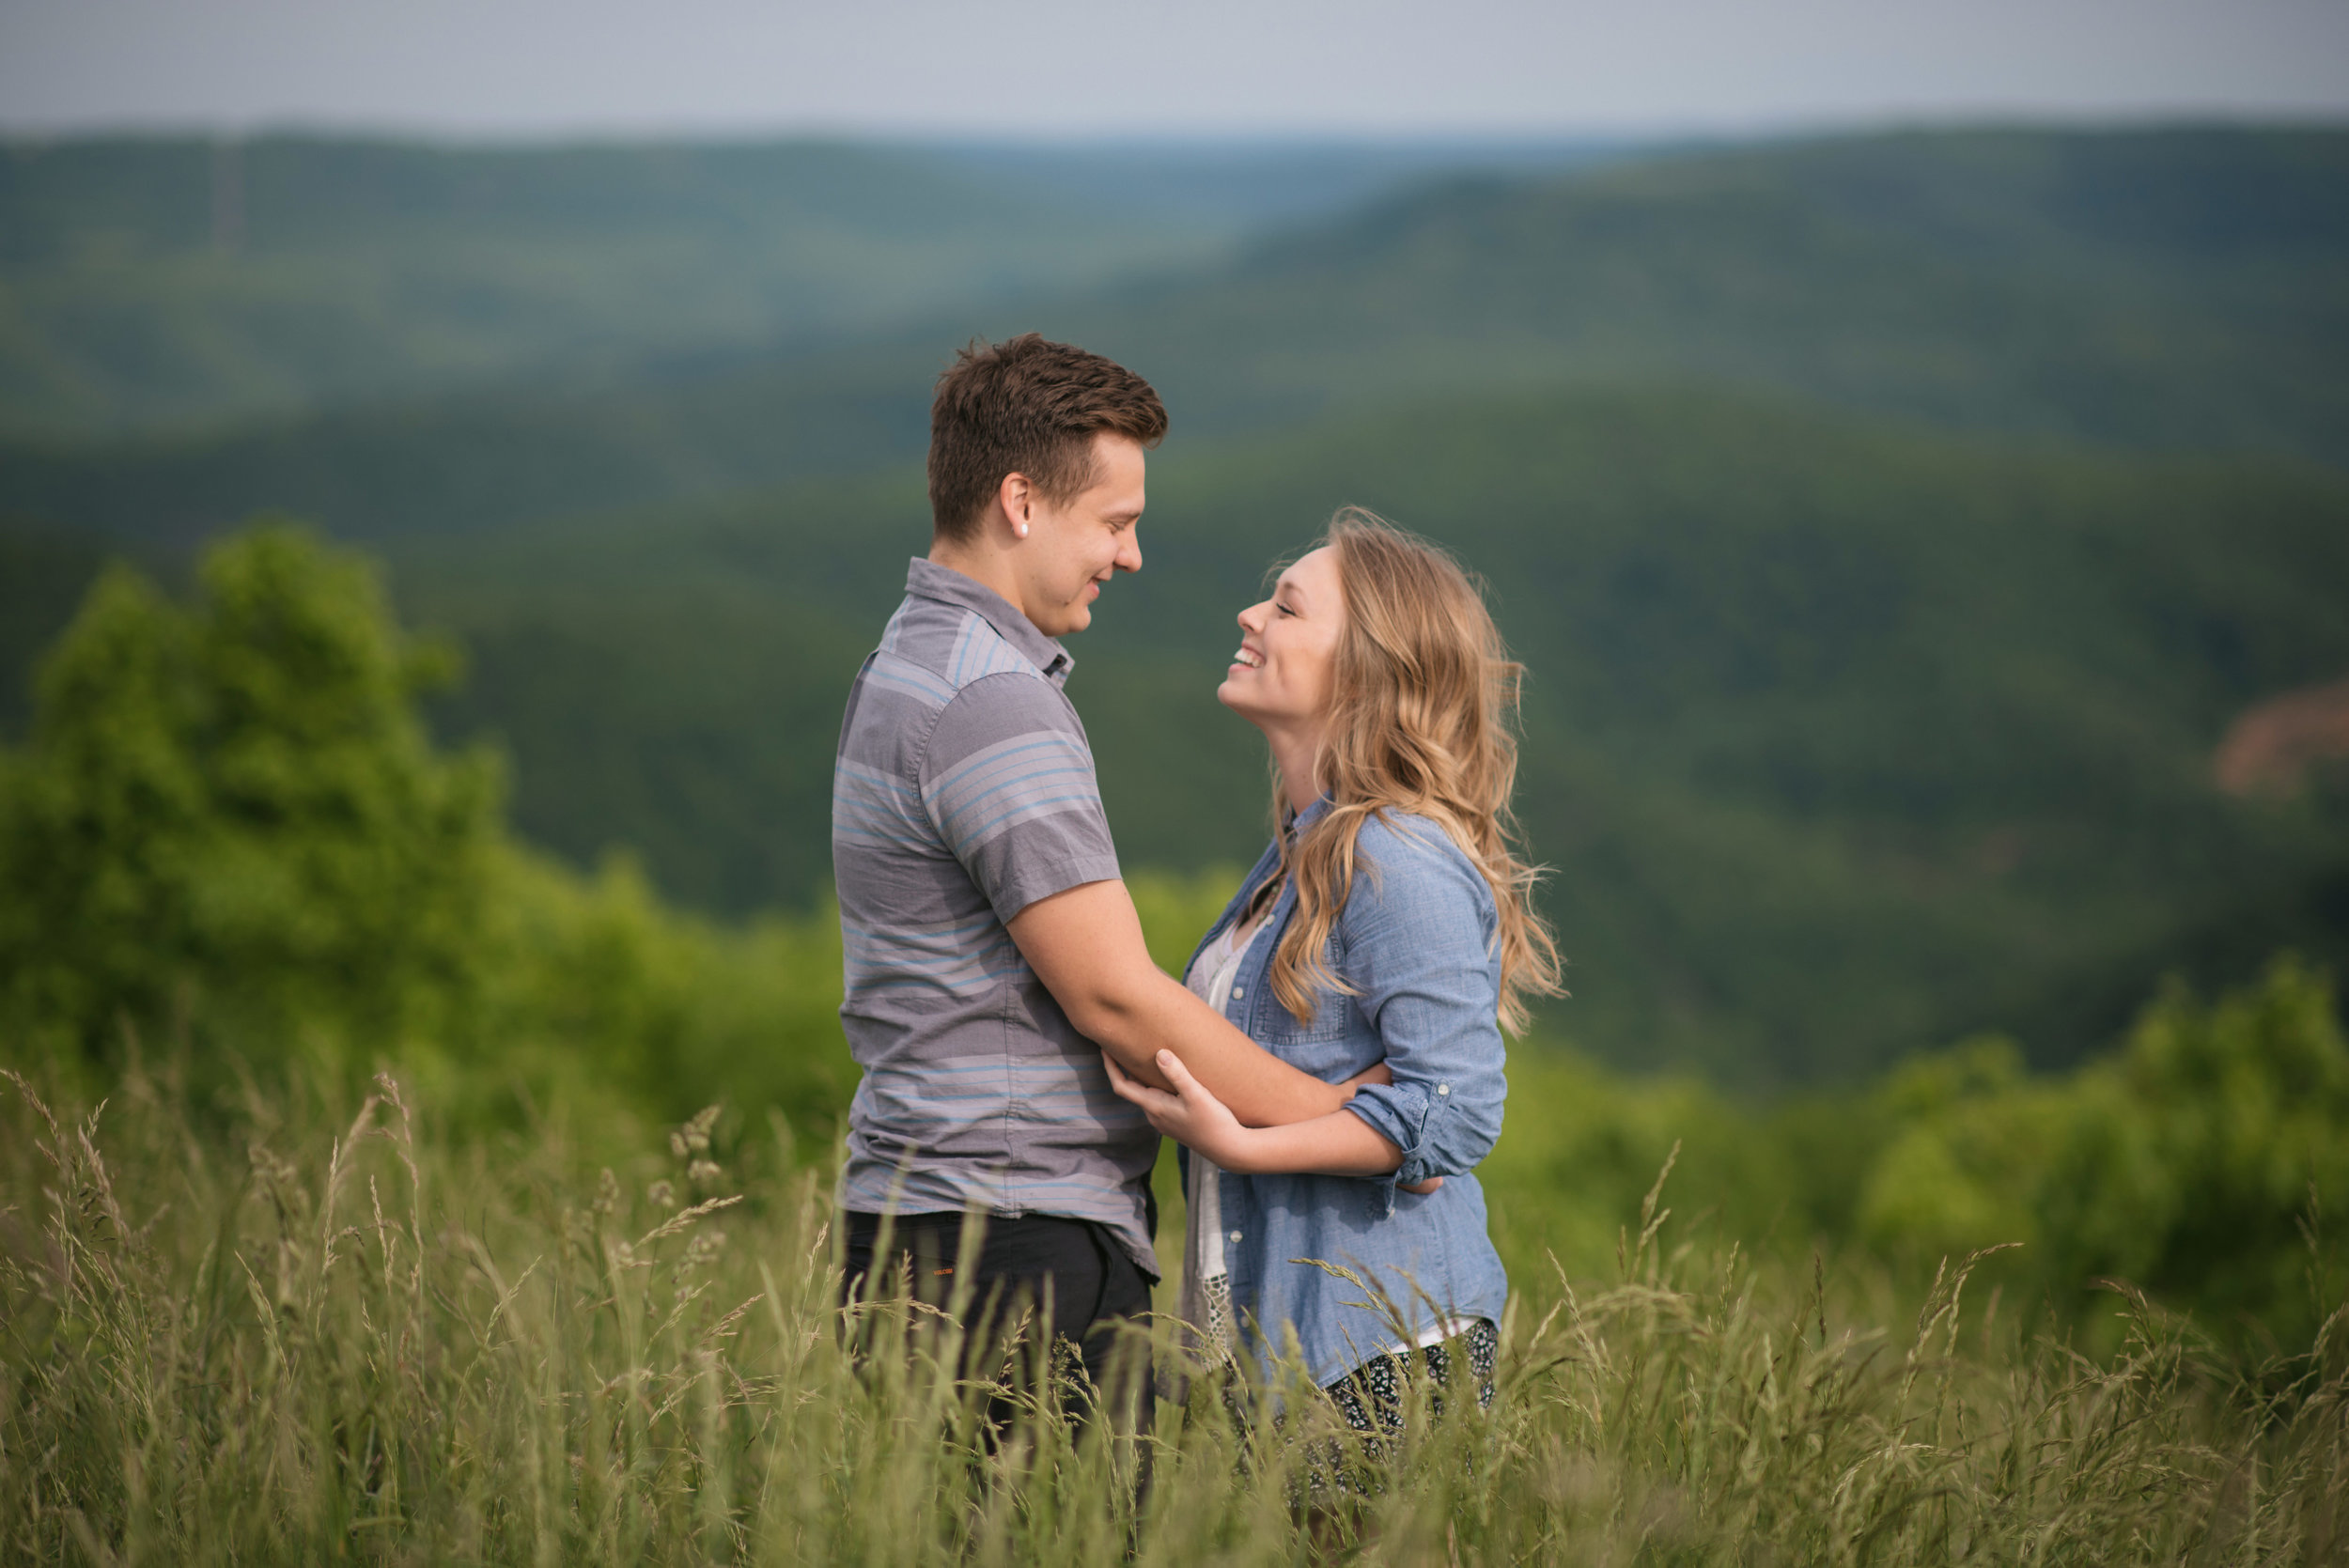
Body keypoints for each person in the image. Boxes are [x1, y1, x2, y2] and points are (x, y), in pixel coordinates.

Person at [831, 335, 1392, 1421]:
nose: (1130, 556)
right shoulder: (992, 698)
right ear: (1021, 502)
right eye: (1115, 522)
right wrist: (1338, 1120)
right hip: (1011, 1237)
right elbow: (1114, 995)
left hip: (927, 1224)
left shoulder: (905, 658)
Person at [1108, 508, 1563, 1440]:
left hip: (1379, 1346)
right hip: (1283, 1352)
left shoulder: (1394, 853)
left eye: (1284, 607)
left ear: (1363, 668)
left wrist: (1242, 1142)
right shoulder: (1299, 851)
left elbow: (1459, 1108)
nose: (1248, 615)